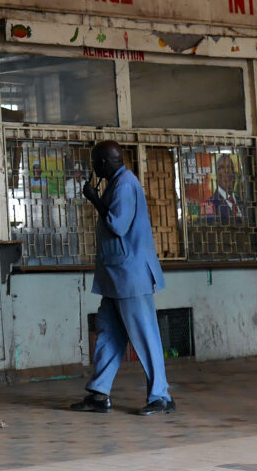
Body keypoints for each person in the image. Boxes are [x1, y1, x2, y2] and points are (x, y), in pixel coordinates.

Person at [70, 140, 175, 416]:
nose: (93, 167)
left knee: (144, 336)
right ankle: (99, 393)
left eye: (95, 162)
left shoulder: (125, 185)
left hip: (131, 277)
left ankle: (161, 396)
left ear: (106, 163)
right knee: (109, 333)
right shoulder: (116, 183)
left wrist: (93, 199)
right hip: (116, 277)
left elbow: (117, 224)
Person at [204, 153, 243, 223]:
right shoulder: (210, 204)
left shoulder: (243, 202)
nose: (226, 171)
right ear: (216, 176)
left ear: (234, 175)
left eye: (229, 167)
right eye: (221, 168)